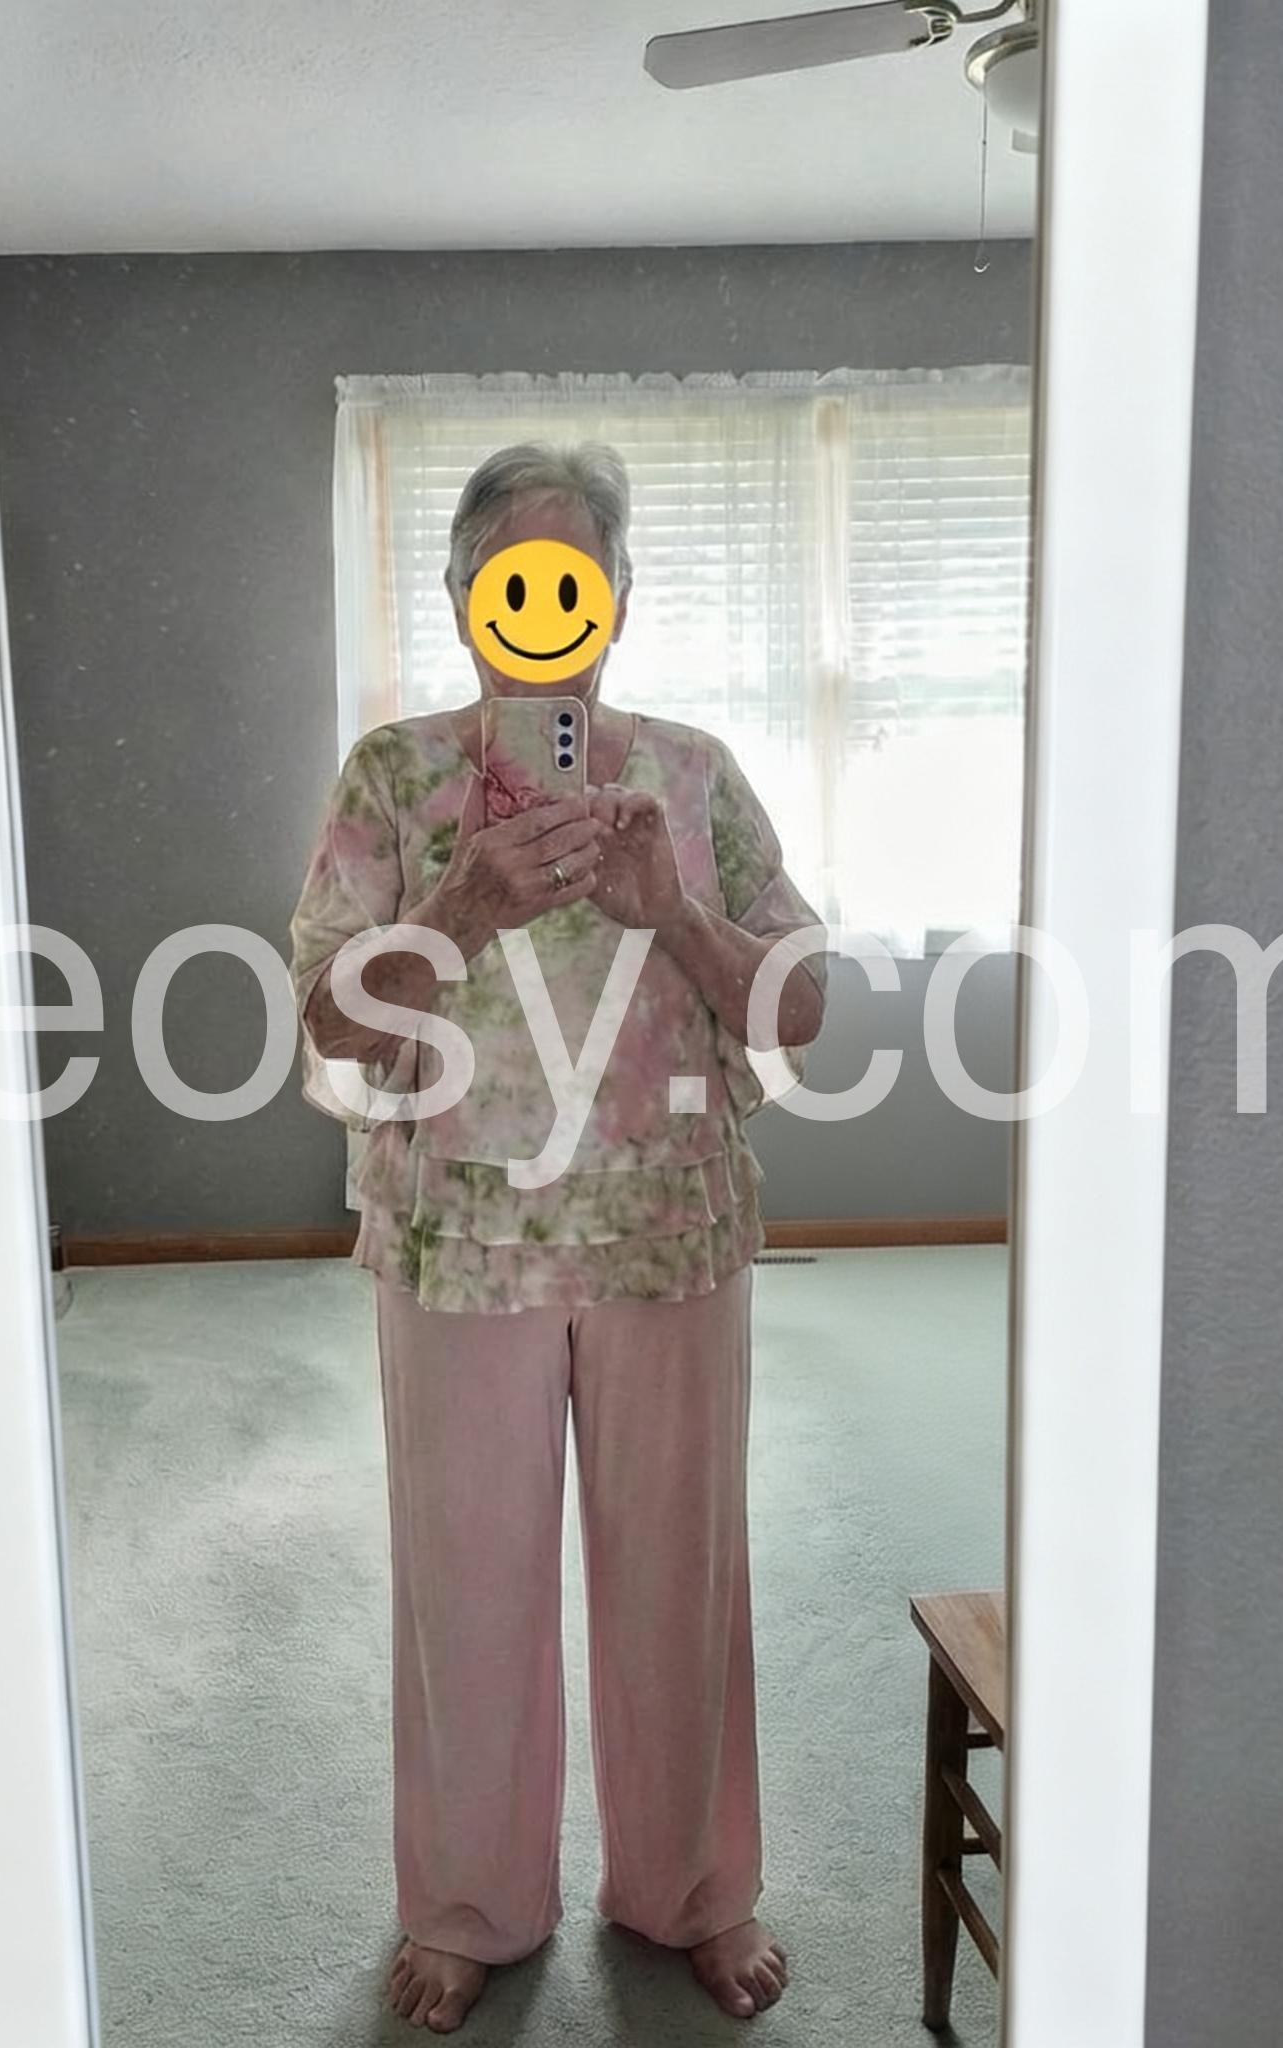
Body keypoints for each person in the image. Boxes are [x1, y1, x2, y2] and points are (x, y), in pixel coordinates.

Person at [289, 441, 826, 2033]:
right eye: (509, 579)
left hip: (669, 1234)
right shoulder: (393, 779)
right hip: (461, 1249)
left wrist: (681, 915)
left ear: (619, 601)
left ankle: (693, 1889)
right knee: (467, 1588)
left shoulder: (694, 776)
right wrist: (457, 910)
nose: (544, 610)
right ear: (464, 600)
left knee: (682, 1581)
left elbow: (801, 1008)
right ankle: (471, 1902)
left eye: (577, 577)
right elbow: (329, 1023)